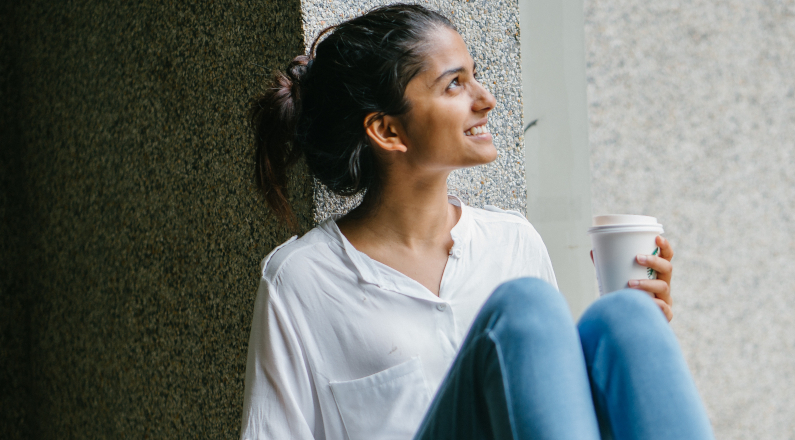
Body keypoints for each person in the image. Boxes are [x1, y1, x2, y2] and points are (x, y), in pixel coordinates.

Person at [240, 5, 714, 440]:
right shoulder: (301, 280)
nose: (486, 99)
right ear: (388, 130)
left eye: (475, 77)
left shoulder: (512, 241)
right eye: (454, 84)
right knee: (523, 308)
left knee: (626, 319)